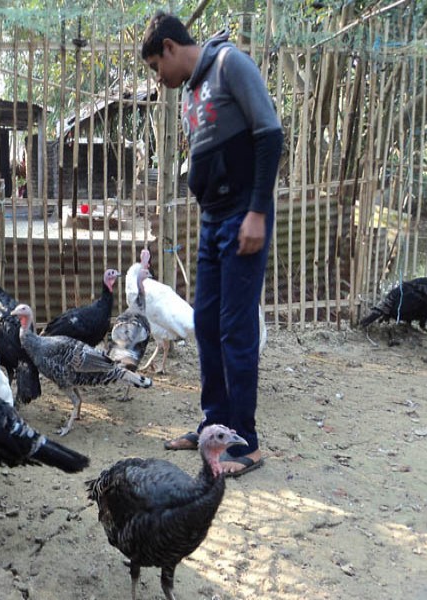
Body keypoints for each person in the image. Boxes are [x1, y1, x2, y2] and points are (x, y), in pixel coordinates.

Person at [141, 12, 283, 477]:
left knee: (236, 329)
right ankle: (214, 428)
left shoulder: (229, 64)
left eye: (155, 68)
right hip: (213, 219)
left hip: (244, 214)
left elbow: (269, 134)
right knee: (206, 323)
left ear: (169, 47)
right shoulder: (191, 90)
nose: (158, 79)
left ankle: (246, 442)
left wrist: (257, 212)